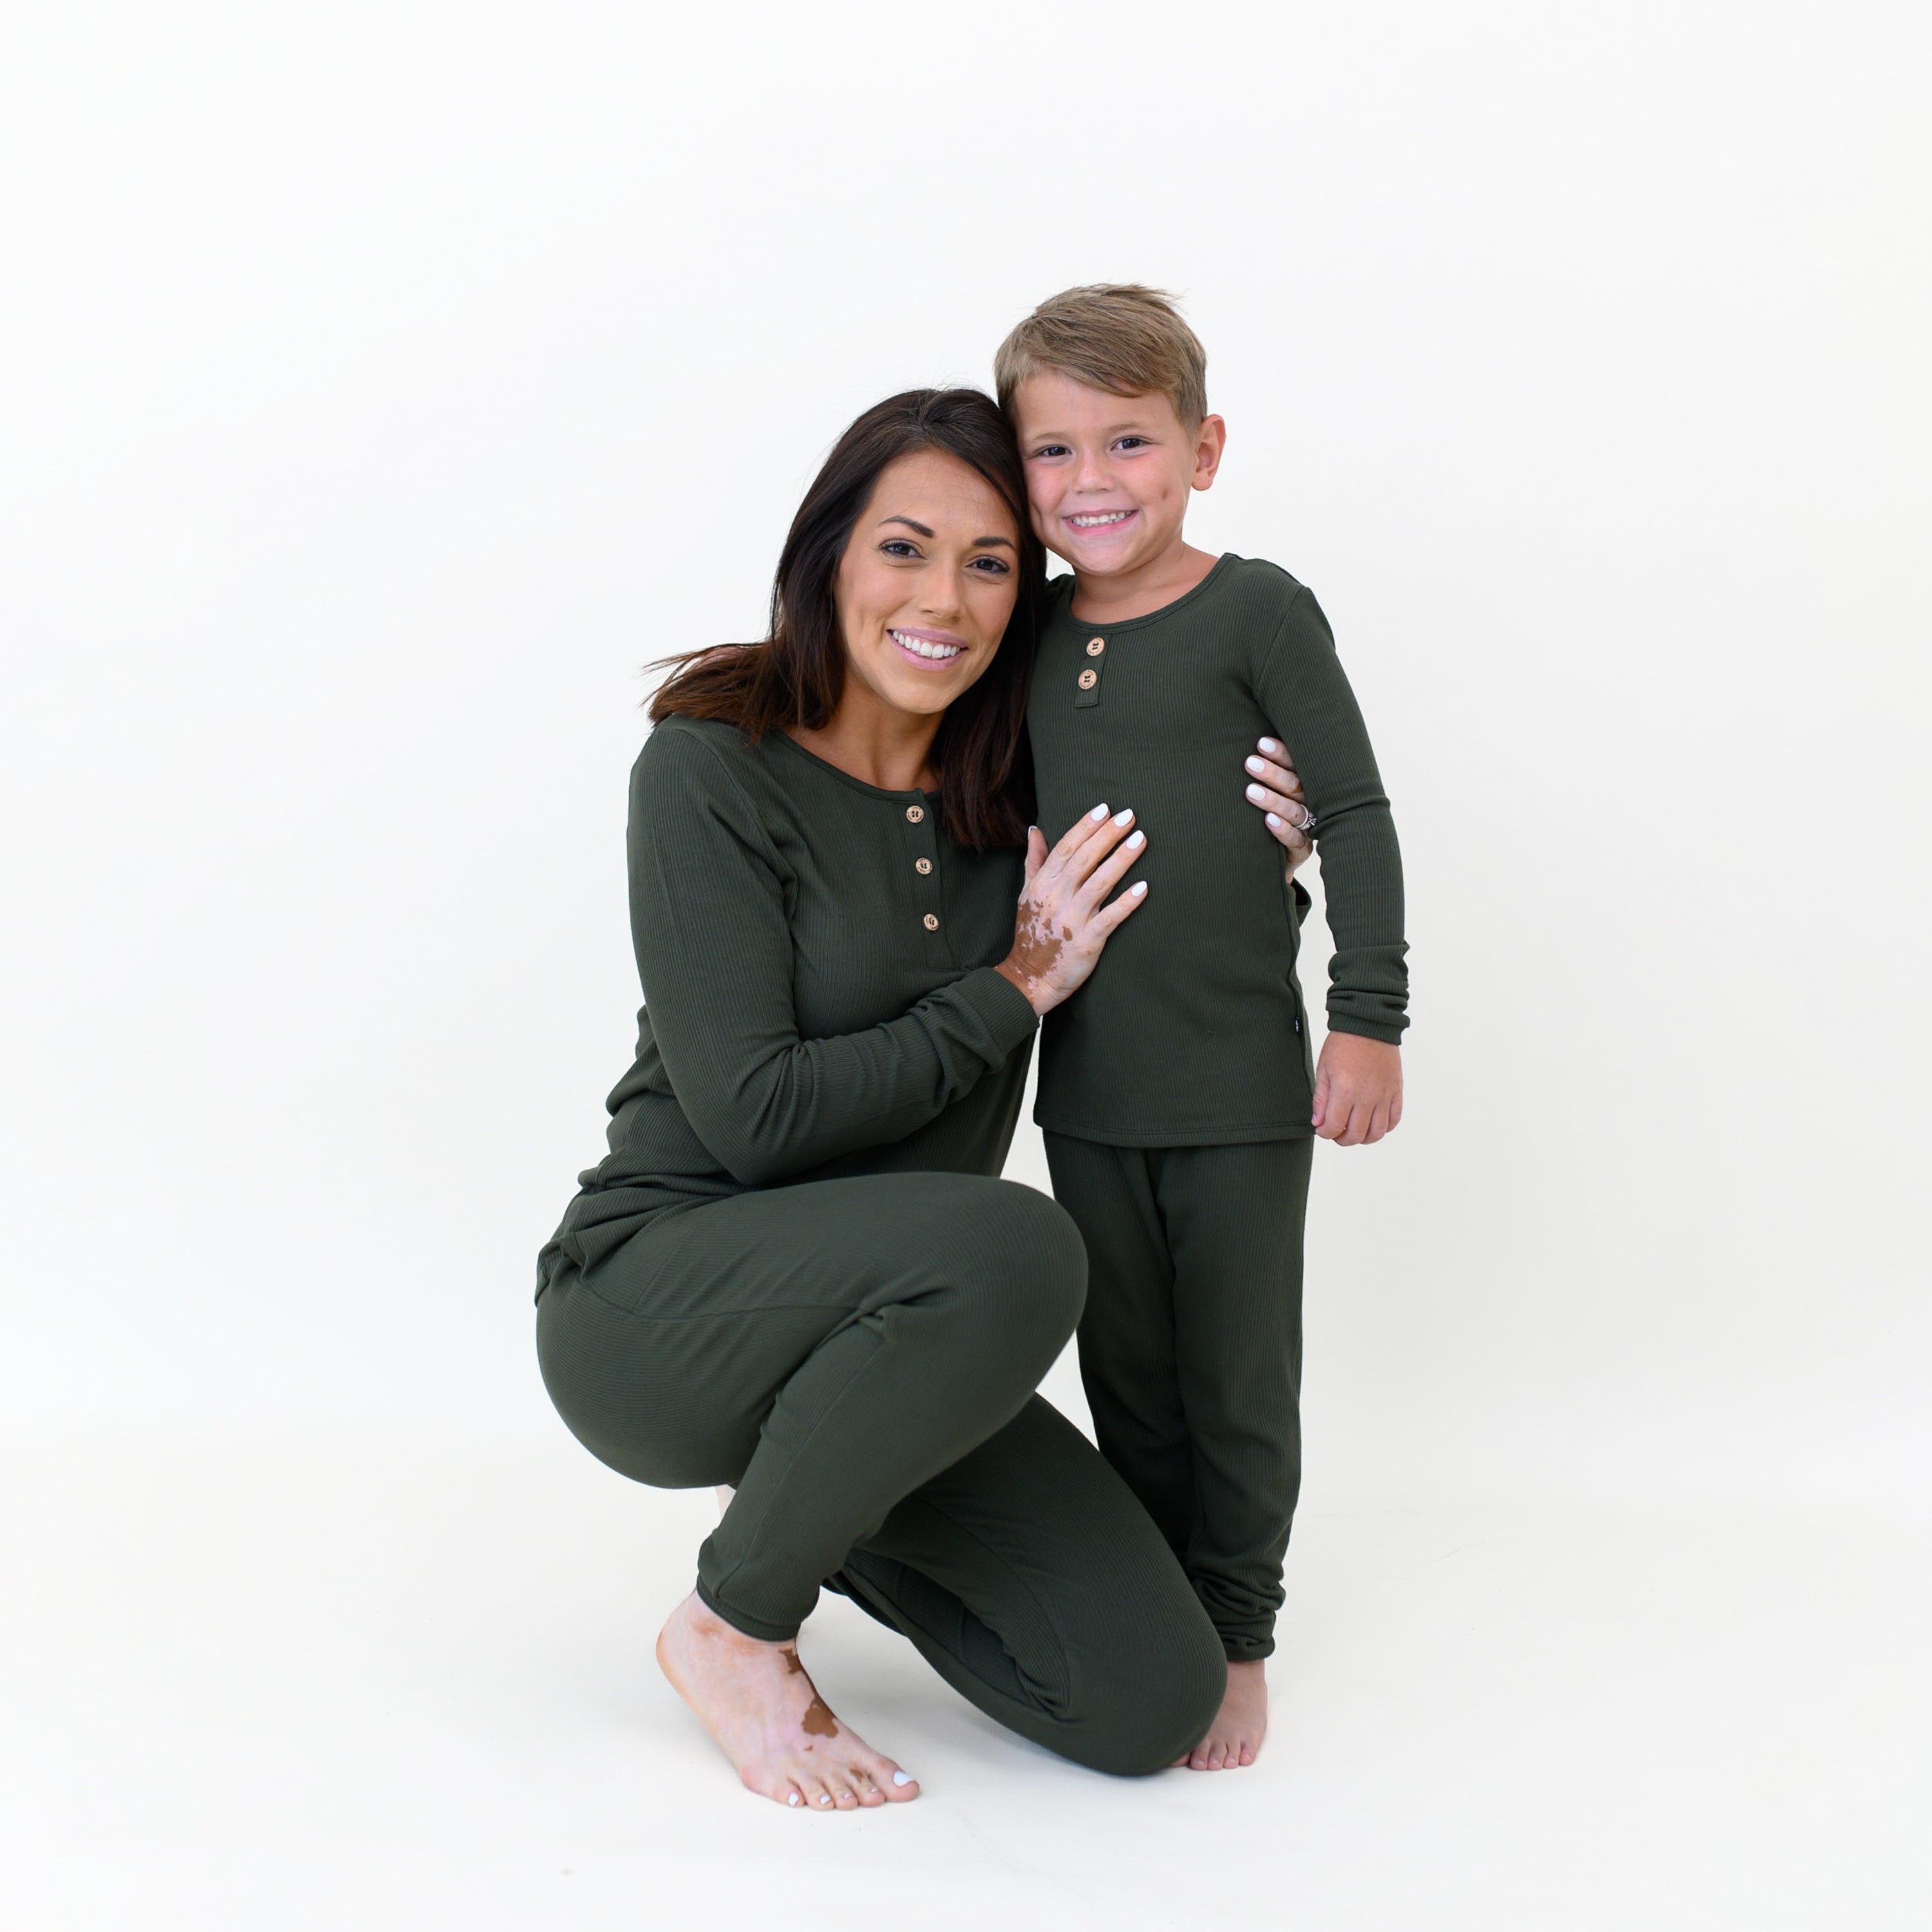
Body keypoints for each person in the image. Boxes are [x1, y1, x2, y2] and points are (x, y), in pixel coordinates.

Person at [533, 387, 1309, 1812]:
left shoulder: (1021, 793)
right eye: (904, 547)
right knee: (1018, 1246)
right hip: (656, 1308)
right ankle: (733, 1624)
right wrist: (1014, 986)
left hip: (902, 1344)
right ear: (829, 554)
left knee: (1152, 1695)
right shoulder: (710, 766)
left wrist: (1254, 853)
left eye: (991, 562)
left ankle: (811, 1497)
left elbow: (1168, 950)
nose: (943, 599)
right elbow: (758, 1116)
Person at [994, 285, 1410, 1772]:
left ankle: (1236, 1635)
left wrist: (1367, 1018)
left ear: (1204, 449)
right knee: (1131, 1378)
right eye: (1053, 451)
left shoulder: (1259, 611)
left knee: (1235, 1379)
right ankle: (1162, 1607)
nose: (1091, 481)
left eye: (1129, 441)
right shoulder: (1024, 633)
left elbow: (1351, 810)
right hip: (1086, 1093)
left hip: (1236, 1086)